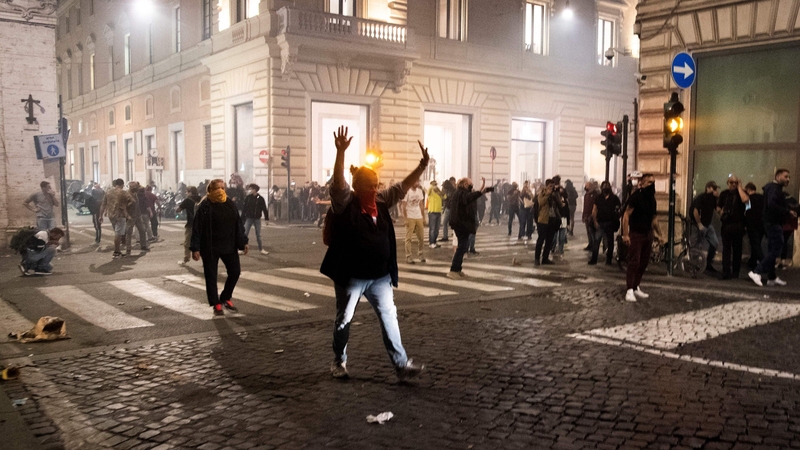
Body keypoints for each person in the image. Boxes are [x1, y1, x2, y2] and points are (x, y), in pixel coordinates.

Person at [320, 126, 427, 381]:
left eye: (377, 185)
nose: (376, 189)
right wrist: (340, 154)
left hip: (379, 276)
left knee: (390, 318)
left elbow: (401, 188)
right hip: (352, 276)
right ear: (357, 187)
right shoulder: (346, 202)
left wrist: (422, 166)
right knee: (344, 319)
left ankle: (401, 365)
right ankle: (338, 361)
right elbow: (337, 185)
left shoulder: (380, 200)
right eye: (371, 185)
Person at [191, 179, 249, 315]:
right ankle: (215, 303)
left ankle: (225, 297)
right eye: (218, 188)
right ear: (210, 191)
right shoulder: (204, 206)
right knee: (211, 276)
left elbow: (238, 224)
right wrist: (195, 248)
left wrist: (243, 242)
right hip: (210, 247)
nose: (221, 191)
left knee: (235, 272)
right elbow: (197, 228)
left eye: (223, 188)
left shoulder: (229, 203)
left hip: (229, 245)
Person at [749, 170, 796, 287]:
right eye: (786, 176)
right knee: (776, 249)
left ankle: (771, 277)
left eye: (789, 177)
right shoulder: (774, 189)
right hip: (774, 223)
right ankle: (756, 271)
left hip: (771, 223)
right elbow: (772, 205)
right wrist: (788, 211)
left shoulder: (773, 188)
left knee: (772, 250)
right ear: (778, 176)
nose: (788, 179)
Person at [621, 173, 663, 302]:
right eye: (649, 182)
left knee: (644, 262)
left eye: (653, 182)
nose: (652, 185)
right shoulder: (636, 197)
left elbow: (654, 219)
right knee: (634, 261)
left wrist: (660, 235)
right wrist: (625, 234)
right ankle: (629, 290)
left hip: (647, 233)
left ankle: (635, 286)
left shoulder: (652, 199)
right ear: (642, 183)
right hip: (636, 233)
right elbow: (626, 215)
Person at [447, 177, 493, 279]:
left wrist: (481, 191)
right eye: (470, 184)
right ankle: (454, 270)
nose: (471, 185)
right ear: (465, 185)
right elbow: (468, 198)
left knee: (463, 246)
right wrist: (481, 192)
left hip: (461, 223)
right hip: (461, 224)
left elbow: (469, 198)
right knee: (463, 247)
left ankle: (458, 269)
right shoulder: (461, 193)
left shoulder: (461, 193)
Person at [717, 175, 749, 280]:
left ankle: (735, 272)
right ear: (728, 183)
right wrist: (720, 211)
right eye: (731, 182)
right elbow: (718, 206)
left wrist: (740, 188)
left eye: (735, 182)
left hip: (739, 225)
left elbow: (746, 201)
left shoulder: (742, 193)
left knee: (737, 250)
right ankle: (726, 272)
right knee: (726, 250)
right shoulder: (724, 194)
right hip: (726, 225)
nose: (733, 184)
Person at [99, 178, 135, 259]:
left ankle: (117, 251)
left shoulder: (108, 192)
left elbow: (103, 204)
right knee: (118, 234)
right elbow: (132, 201)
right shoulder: (123, 192)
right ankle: (116, 251)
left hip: (111, 215)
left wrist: (100, 216)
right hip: (120, 215)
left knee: (116, 232)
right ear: (122, 184)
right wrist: (125, 206)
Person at [691, 181, 720, 274]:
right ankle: (693, 265)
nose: (715, 191)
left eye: (715, 189)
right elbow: (695, 211)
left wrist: (718, 198)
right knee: (697, 246)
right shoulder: (701, 197)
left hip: (708, 225)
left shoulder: (713, 199)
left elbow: (717, 210)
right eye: (713, 188)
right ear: (708, 188)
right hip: (700, 225)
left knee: (715, 243)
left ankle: (708, 264)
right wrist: (699, 224)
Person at [589, 181, 621, 265]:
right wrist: (595, 221)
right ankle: (594, 259)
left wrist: (616, 218)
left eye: (607, 186)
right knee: (597, 241)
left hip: (610, 223)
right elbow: (594, 210)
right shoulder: (598, 198)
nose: (605, 188)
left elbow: (618, 210)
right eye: (604, 186)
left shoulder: (614, 198)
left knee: (610, 242)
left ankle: (609, 260)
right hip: (600, 222)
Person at [534, 179, 563, 265]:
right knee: (541, 240)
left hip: (552, 220)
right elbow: (541, 202)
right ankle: (537, 258)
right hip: (543, 220)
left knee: (549, 241)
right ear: (546, 186)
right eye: (550, 186)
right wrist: (547, 194)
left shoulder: (554, 194)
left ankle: (545, 258)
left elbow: (560, 204)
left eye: (553, 186)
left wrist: (557, 194)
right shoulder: (541, 193)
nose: (551, 188)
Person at [402, 180, 427, 264]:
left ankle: (421, 254)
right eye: (416, 181)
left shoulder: (419, 191)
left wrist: (423, 217)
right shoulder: (407, 192)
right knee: (408, 238)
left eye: (418, 182)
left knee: (421, 238)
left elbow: (421, 205)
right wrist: (405, 219)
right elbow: (404, 206)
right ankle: (408, 256)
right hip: (410, 216)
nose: (417, 183)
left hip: (418, 216)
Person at [242, 183, 270, 255]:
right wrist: (242, 218)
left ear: (255, 190)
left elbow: (264, 209)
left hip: (257, 218)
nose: (249, 190)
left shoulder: (260, 199)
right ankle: (242, 248)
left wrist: (266, 218)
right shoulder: (248, 198)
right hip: (249, 217)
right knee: (245, 233)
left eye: (251, 189)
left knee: (258, 235)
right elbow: (244, 208)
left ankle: (261, 249)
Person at [176, 187, 202, 265]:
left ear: (190, 192)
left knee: (187, 243)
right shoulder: (201, 199)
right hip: (201, 225)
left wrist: (177, 208)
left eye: (187, 192)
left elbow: (178, 210)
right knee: (201, 242)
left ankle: (186, 258)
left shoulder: (187, 200)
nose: (186, 193)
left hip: (191, 224)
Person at [125, 182, 150, 255]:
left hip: (137, 215)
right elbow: (124, 206)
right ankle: (128, 248)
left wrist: (139, 214)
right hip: (130, 216)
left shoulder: (135, 194)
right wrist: (127, 215)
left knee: (142, 230)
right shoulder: (127, 195)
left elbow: (137, 205)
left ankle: (143, 245)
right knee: (129, 232)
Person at [744, 182, 765, 270]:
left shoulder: (748, 199)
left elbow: (748, 212)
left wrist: (746, 224)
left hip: (752, 225)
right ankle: (752, 261)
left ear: (748, 190)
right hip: (762, 225)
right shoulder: (762, 198)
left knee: (755, 244)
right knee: (757, 244)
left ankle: (764, 262)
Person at [582, 181, 599, 251]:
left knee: (592, 232)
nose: (585, 187)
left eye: (587, 186)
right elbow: (585, 206)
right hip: (586, 215)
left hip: (591, 215)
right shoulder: (586, 195)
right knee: (588, 232)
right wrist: (583, 215)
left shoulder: (595, 194)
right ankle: (590, 244)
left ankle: (594, 245)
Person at [427, 180, 443, 248]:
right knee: (432, 229)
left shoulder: (438, 192)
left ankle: (435, 241)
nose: (436, 185)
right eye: (434, 184)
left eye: (436, 184)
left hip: (438, 212)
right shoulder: (431, 191)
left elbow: (444, 196)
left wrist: (439, 192)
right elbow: (428, 191)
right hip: (432, 211)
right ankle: (431, 243)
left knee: (437, 229)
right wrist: (432, 186)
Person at [441, 178, 455, 242]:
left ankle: (445, 236)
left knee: (445, 222)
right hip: (451, 208)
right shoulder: (453, 190)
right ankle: (447, 236)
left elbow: (448, 200)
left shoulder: (450, 191)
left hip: (449, 208)